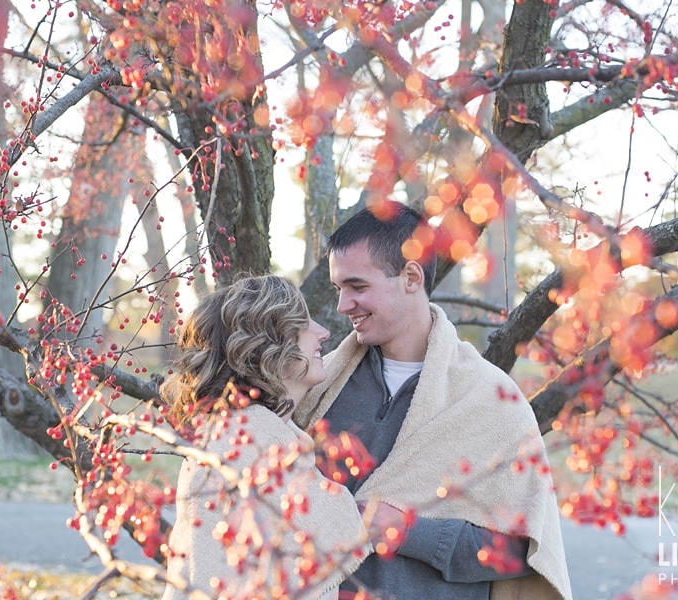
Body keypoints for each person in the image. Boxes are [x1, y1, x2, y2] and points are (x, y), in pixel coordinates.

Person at [293, 202, 573, 600]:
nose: (342, 306)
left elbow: (521, 554)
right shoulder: (318, 388)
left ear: (410, 276)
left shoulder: (492, 401)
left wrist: (407, 530)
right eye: (340, 289)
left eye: (357, 287)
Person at [160, 274, 370, 600]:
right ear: (270, 344)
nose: (323, 332)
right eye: (303, 323)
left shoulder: (245, 435)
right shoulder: (246, 443)